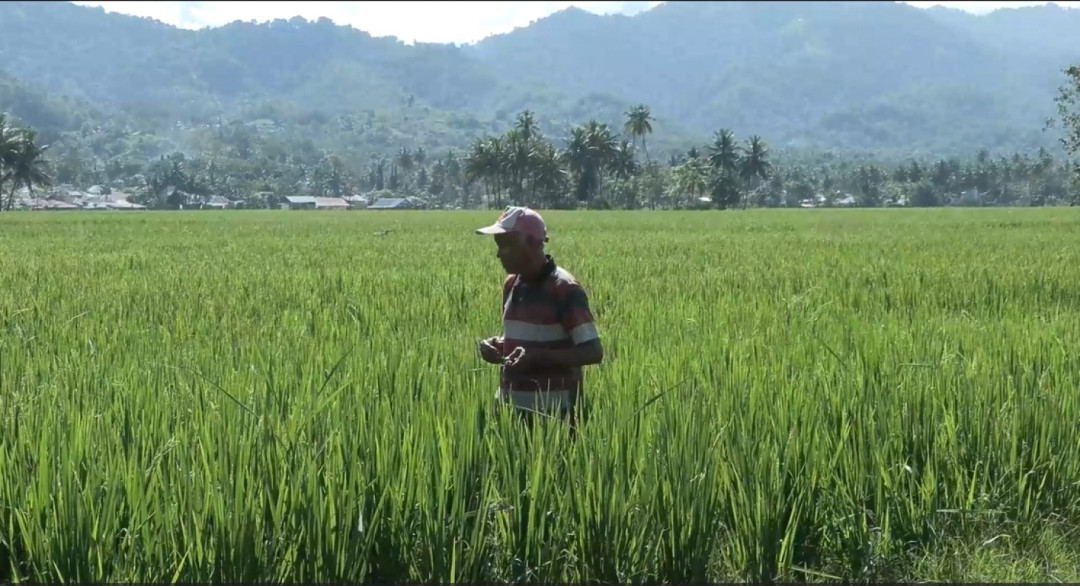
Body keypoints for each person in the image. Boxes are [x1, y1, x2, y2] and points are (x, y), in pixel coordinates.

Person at [475, 206, 603, 433]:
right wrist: (499, 346)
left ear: (533, 244)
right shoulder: (512, 284)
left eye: (506, 245)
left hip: (556, 418)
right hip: (511, 413)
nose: (499, 254)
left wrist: (537, 358)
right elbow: (528, 337)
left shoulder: (563, 288)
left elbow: (592, 351)